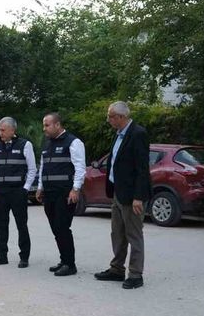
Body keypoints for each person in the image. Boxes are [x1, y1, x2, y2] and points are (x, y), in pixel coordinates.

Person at [94, 101, 151, 289]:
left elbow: (142, 168)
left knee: (134, 234)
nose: (108, 119)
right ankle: (117, 269)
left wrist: (138, 197)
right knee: (117, 233)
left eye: (110, 116)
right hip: (118, 192)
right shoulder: (119, 134)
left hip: (132, 195)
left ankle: (135, 275)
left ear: (121, 117)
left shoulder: (138, 134)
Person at [35, 113, 86, 277]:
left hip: (65, 193)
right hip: (49, 193)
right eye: (44, 125)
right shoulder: (47, 143)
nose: (44, 129)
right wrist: (40, 187)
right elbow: (43, 167)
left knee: (62, 227)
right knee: (55, 228)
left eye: (47, 125)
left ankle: (70, 264)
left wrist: (75, 189)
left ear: (57, 125)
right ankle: (64, 260)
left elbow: (80, 168)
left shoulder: (73, 142)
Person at [0, 117, 37, 268]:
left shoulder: (25, 145)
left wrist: (25, 188)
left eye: (3, 130)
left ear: (12, 130)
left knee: (21, 224)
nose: (0, 133)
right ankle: (1, 255)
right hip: (1, 191)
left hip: (17, 191)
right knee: (1, 224)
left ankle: (24, 257)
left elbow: (32, 169)